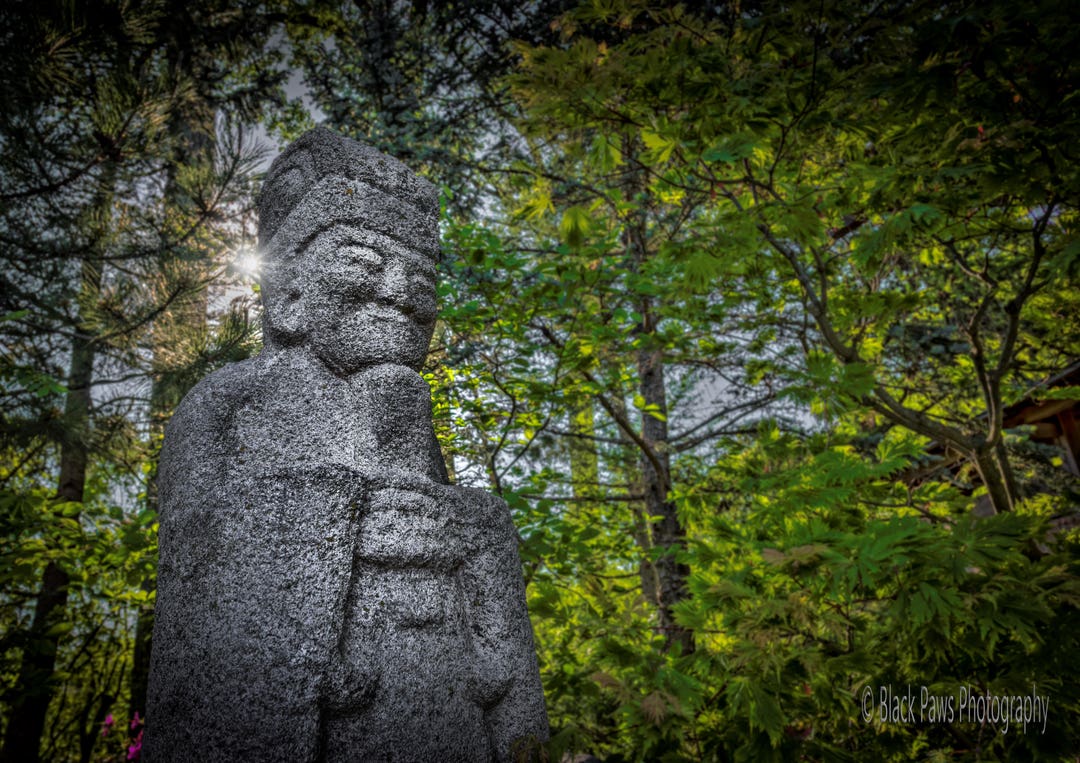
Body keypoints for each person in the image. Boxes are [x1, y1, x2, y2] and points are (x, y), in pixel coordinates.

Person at [145, 128, 547, 762]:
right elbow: (198, 551)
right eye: (364, 261)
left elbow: (463, 545)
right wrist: (341, 522)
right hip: (334, 709)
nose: (400, 292)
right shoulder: (233, 402)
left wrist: (470, 528)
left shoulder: (409, 415)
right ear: (290, 296)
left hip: (441, 698)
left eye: (422, 279)